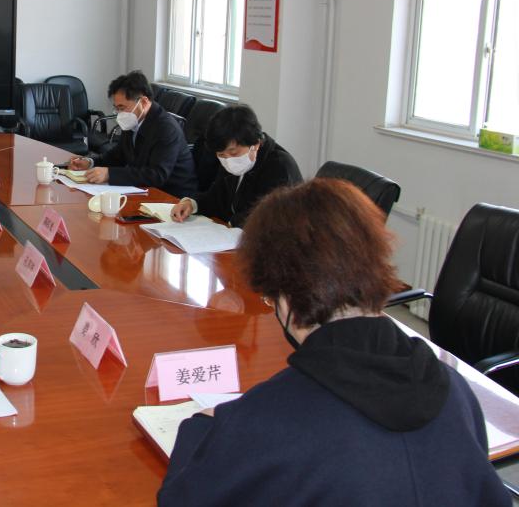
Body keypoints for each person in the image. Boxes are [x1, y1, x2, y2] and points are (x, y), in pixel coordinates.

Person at [157, 179, 510, 506]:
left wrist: (200, 425)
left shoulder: (264, 419)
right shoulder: (457, 392)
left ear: (285, 299)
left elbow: (180, 499)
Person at [68, 71, 197, 198]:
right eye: (116, 108)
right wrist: (90, 162)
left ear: (144, 102)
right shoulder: (134, 120)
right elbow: (118, 156)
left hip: (173, 197)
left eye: (122, 108)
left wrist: (109, 174)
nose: (119, 114)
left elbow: (157, 175)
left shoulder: (166, 128)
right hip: (145, 190)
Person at [170, 104, 301, 227]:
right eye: (221, 155)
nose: (228, 160)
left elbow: (266, 218)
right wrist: (192, 204)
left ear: (255, 144)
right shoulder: (229, 159)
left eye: (234, 153)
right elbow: (217, 197)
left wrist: (230, 225)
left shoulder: (280, 166)